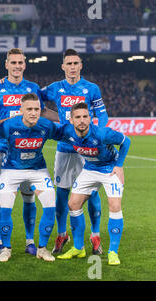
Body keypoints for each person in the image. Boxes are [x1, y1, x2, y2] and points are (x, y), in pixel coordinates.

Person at [0, 48, 58, 257]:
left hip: (28, 147)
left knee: (29, 196)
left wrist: (65, 121)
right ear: (6, 65)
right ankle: (0, 241)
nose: (17, 66)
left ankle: (30, 241)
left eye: (20, 63)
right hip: (2, 148)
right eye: (13, 62)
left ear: (24, 65)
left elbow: (41, 112)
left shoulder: (33, 88)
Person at [41, 48, 109, 255]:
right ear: (63, 66)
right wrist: (55, 118)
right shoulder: (55, 88)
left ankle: (95, 236)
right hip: (64, 148)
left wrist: (98, 134)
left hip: (87, 150)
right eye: (68, 64)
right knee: (62, 194)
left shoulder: (91, 88)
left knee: (92, 193)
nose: (72, 67)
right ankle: (62, 234)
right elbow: (34, 98)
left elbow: (103, 115)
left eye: (75, 63)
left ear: (81, 65)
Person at [57, 102, 130, 265]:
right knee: (73, 204)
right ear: (71, 120)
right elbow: (48, 130)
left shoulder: (102, 133)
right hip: (89, 169)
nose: (82, 120)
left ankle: (113, 252)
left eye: (85, 116)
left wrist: (119, 165)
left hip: (109, 169)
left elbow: (126, 141)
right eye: (78, 117)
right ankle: (78, 248)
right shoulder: (67, 132)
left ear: (90, 118)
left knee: (114, 206)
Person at [0, 93, 61, 262]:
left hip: (37, 170)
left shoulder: (47, 125)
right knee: (5, 208)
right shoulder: (9, 125)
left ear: (41, 110)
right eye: (29, 109)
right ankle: (6, 248)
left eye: (37, 109)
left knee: (50, 205)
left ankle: (42, 248)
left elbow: (67, 133)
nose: (33, 113)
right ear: (21, 110)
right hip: (11, 169)